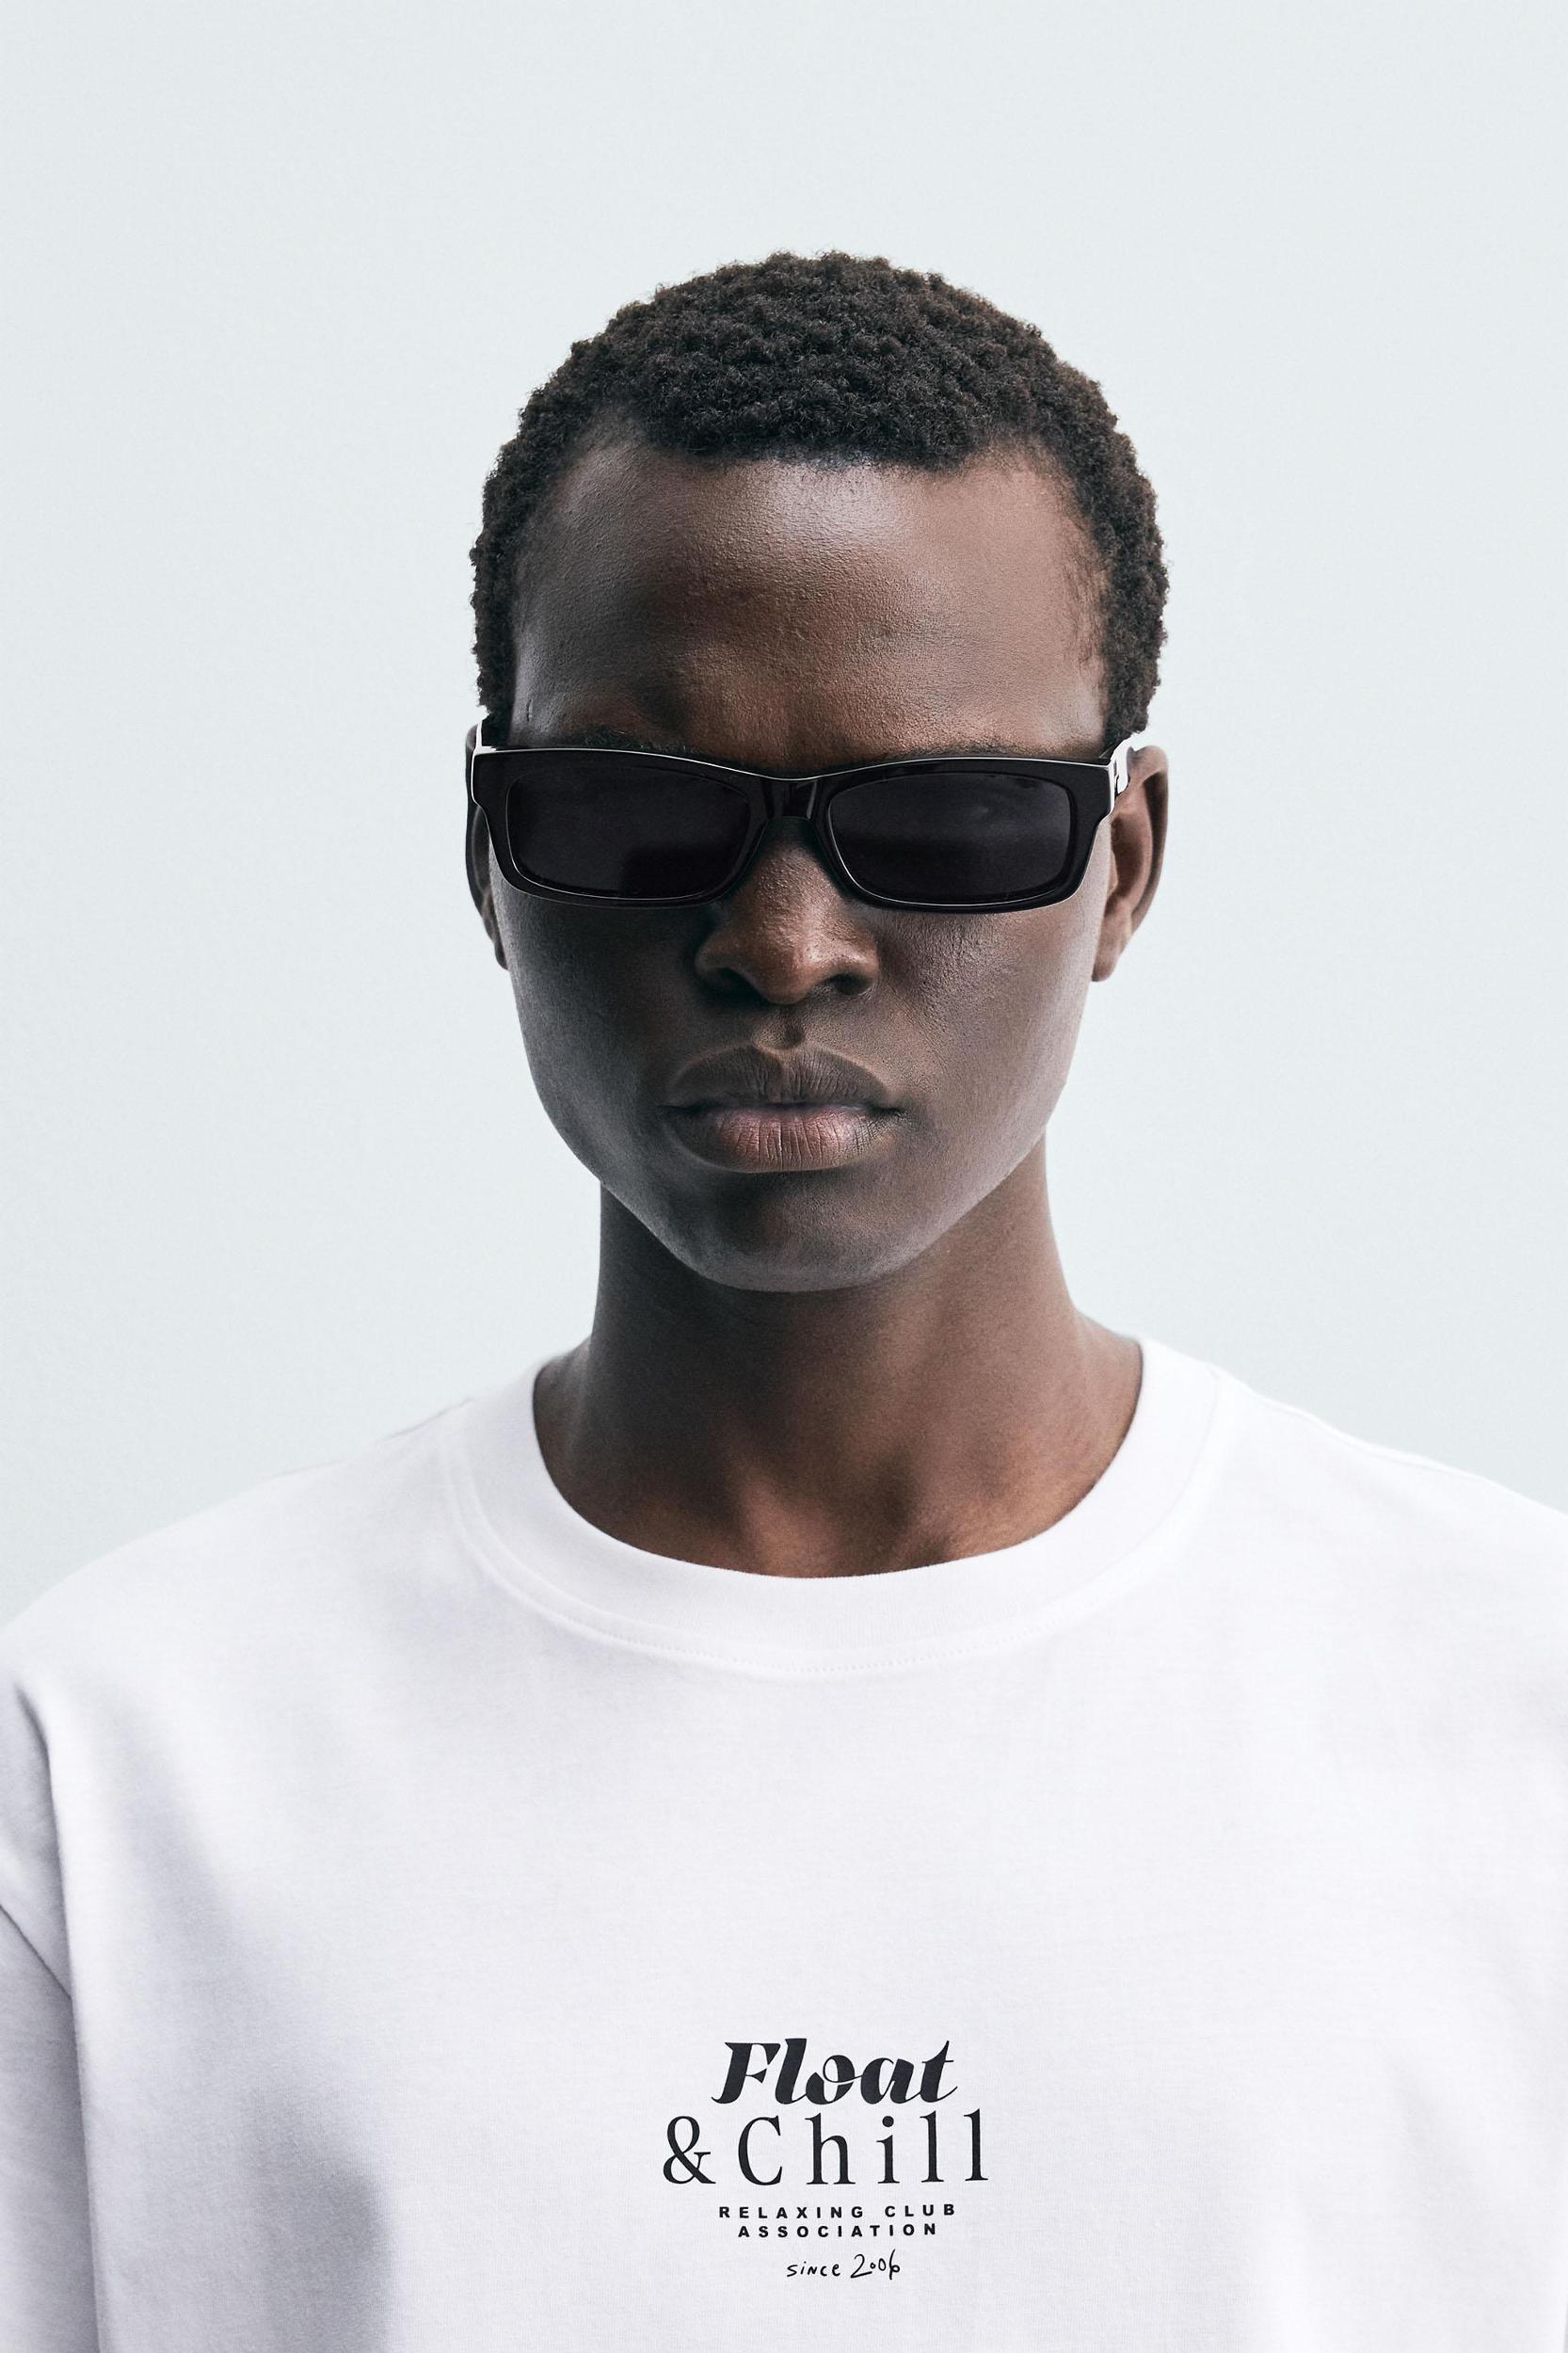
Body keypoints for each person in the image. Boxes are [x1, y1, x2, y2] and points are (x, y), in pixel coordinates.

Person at [2, 249, 1565, 2353]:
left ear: (1120, 864)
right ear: (488, 854)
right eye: (636, 813)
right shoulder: (127, 1756)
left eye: (944, 819)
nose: (786, 940)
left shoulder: (1507, 1709)